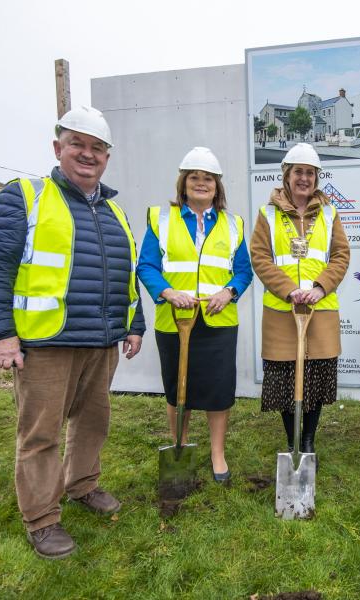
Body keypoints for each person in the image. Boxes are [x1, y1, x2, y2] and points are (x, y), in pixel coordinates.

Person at [0, 106, 145, 559]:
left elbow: (126, 277)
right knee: (41, 434)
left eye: (97, 148)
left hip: (101, 340)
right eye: (77, 145)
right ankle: (42, 519)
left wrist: (134, 325)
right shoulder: (25, 197)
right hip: (46, 343)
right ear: (58, 148)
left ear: (107, 156)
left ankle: (83, 485)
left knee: (93, 422)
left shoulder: (114, 212)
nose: (88, 155)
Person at [137, 147, 252, 483]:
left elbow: (243, 271)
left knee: (218, 391)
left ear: (217, 187)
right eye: (194, 178)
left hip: (218, 321)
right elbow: (146, 265)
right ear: (183, 184)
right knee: (177, 390)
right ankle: (181, 444)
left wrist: (227, 293)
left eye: (208, 179)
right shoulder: (161, 218)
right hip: (174, 320)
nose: (201, 184)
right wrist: (168, 293)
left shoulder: (233, 224)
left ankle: (218, 453)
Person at [250, 143, 350, 467]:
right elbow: (261, 257)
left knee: (316, 378)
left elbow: (340, 256)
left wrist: (320, 288)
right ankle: (291, 437)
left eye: (310, 173)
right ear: (287, 175)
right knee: (283, 379)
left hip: (320, 310)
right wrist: (289, 290)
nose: (304, 178)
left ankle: (308, 439)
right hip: (282, 311)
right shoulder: (268, 214)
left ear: (317, 177)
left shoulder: (330, 213)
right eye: (298, 172)